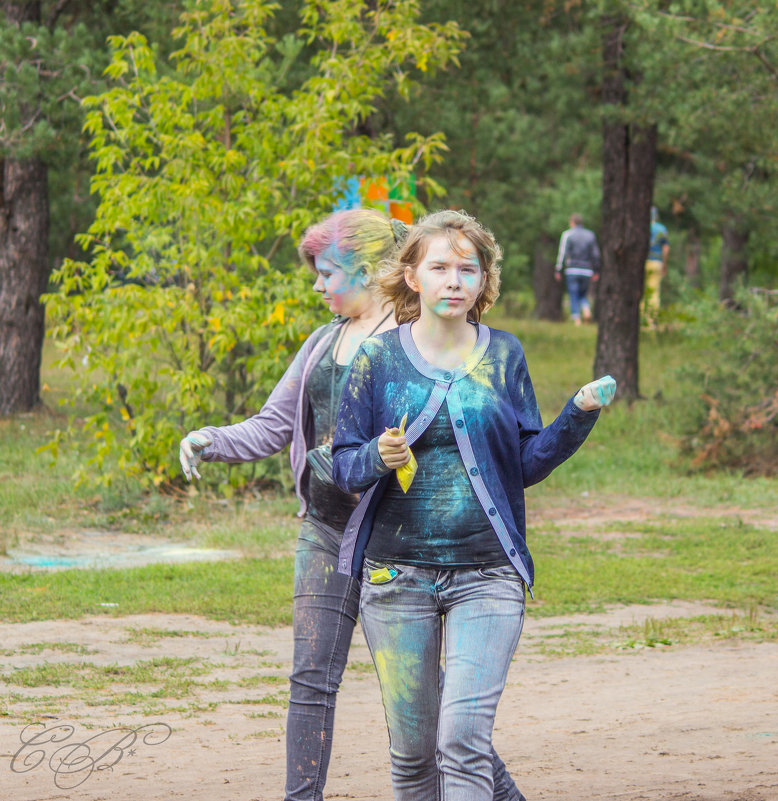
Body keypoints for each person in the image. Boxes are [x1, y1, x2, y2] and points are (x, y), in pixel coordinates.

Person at [177, 209, 526, 801]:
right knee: (310, 679)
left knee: (431, 709)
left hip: (396, 538)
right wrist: (211, 439)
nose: (317, 284)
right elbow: (272, 425)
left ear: (365, 270)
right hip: (326, 529)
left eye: (326, 272)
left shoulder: (415, 336)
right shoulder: (322, 343)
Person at [332, 209, 616, 801]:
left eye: (468, 268)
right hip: (393, 577)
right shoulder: (376, 361)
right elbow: (341, 464)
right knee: (412, 756)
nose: (454, 280)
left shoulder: (505, 355)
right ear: (412, 277)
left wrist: (577, 416)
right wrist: (376, 458)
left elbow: (525, 463)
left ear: (484, 281)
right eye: (439, 267)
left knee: (461, 740)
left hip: (487, 575)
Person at [554, 212, 601, 325]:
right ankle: (586, 308)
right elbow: (595, 254)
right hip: (586, 270)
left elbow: (562, 253)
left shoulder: (567, 235)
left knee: (573, 293)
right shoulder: (590, 235)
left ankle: (577, 318)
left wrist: (558, 269)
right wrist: (596, 270)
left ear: (572, 222)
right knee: (583, 294)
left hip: (572, 269)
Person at [641, 206, 670, 327]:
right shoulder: (661, 229)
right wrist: (664, 264)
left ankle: (641, 320)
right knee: (654, 293)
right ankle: (652, 321)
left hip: (641, 263)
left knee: (641, 292)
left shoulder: (639, 226)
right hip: (656, 262)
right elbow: (666, 248)